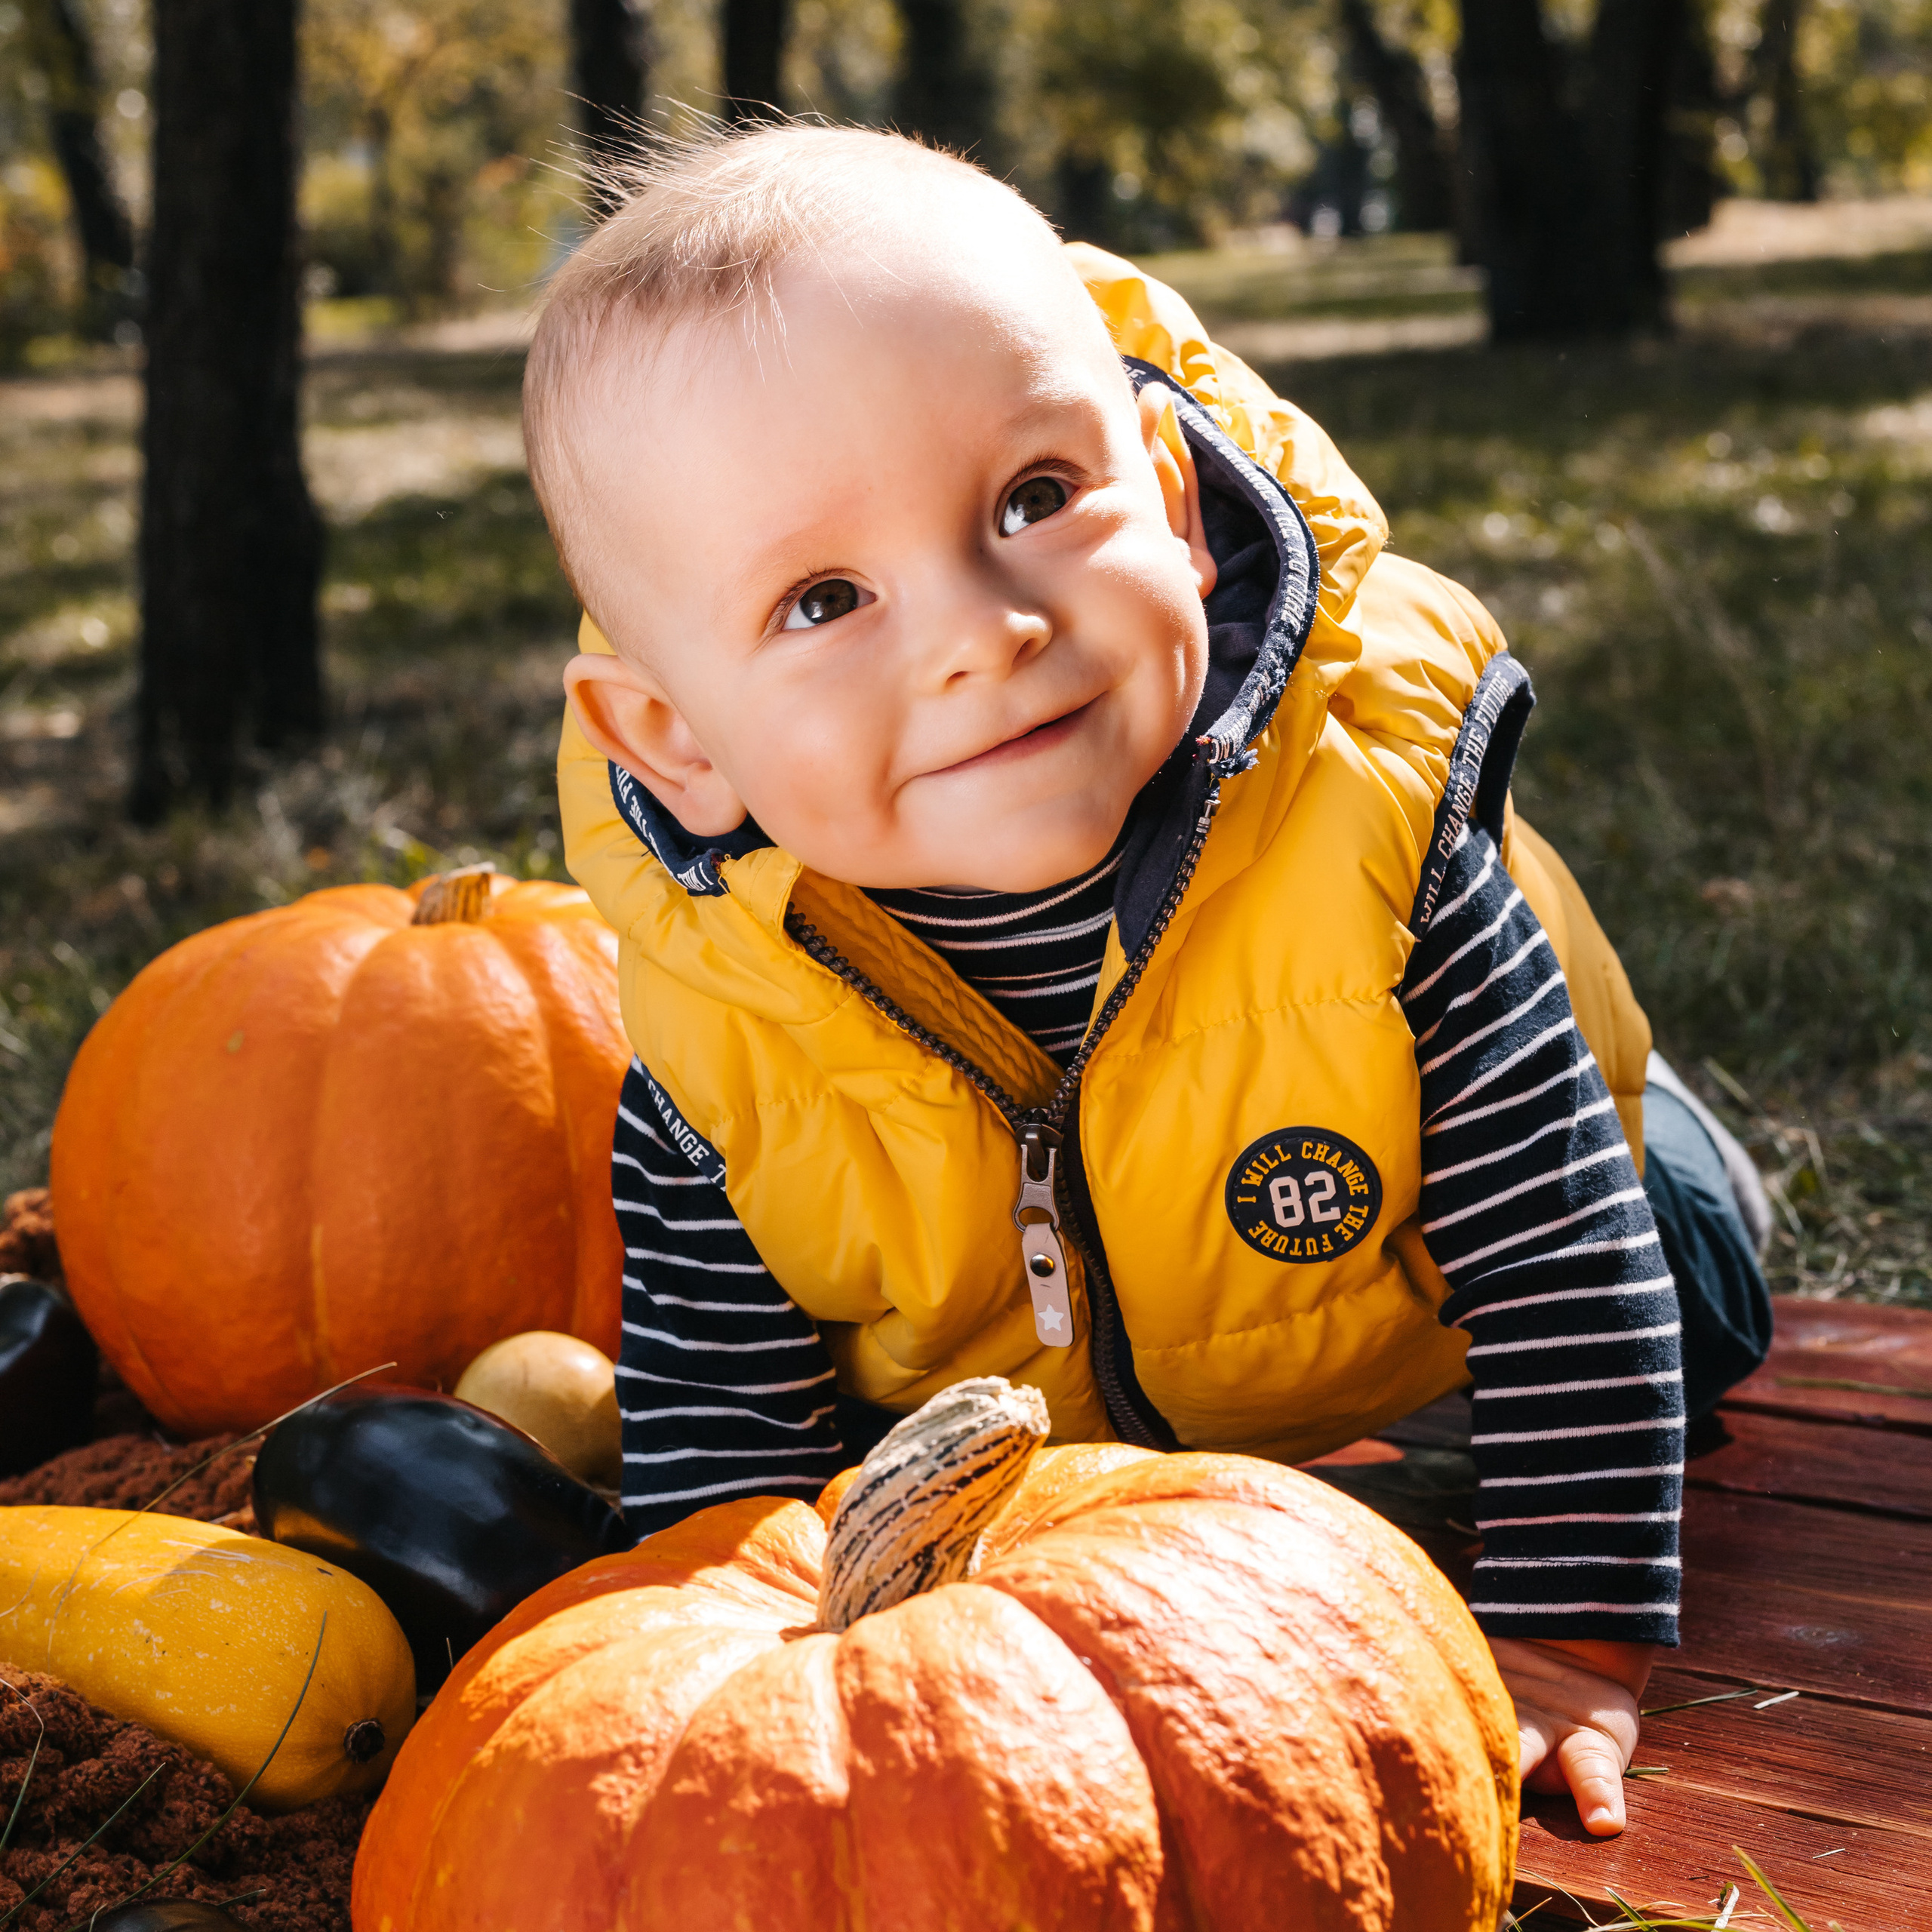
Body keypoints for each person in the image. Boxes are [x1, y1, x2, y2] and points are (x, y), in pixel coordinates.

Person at [532, 123, 1771, 1838]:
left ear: (1175, 508)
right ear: (672, 743)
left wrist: (1566, 1644)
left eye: (1035, 499)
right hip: (1091, 1373)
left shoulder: (1369, 865)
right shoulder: (718, 1034)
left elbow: (1561, 1269)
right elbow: (724, 1450)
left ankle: (1699, 1148)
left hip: (1466, 1255)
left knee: (1679, 1294)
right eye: (826, 597)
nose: (982, 626)